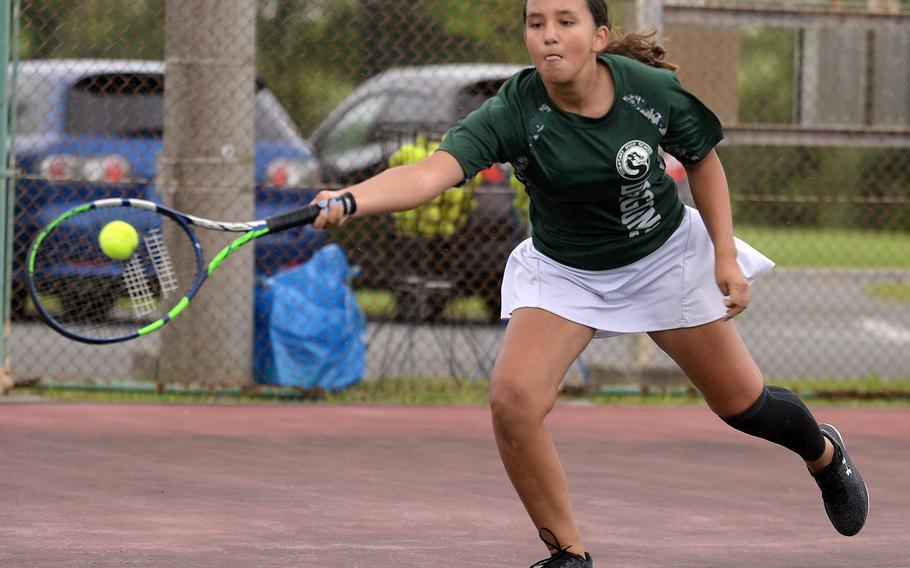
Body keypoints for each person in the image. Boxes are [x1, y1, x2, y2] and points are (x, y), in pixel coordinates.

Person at [311, 0, 870, 565]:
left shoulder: (648, 92)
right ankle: (568, 554)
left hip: (661, 259)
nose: (548, 36)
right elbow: (431, 173)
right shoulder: (513, 109)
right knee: (513, 401)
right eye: (536, 24)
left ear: (599, 36)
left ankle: (823, 453)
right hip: (566, 272)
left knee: (744, 406)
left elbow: (703, 159)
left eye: (565, 22)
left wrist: (724, 255)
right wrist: (350, 200)